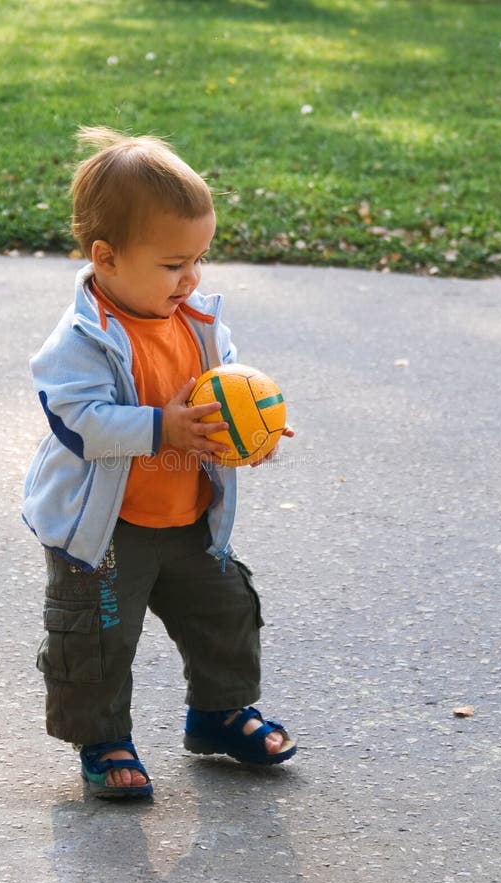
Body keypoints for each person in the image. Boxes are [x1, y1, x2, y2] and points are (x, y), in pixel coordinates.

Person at [23, 127, 297, 799]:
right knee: (96, 639)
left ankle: (218, 714)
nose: (192, 278)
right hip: (106, 532)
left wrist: (251, 431)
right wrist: (162, 426)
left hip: (188, 518)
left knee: (226, 614)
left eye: (200, 259)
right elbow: (78, 421)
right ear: (106, 257)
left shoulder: (196, 320)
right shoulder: (81, 339)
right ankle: (103, 739)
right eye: (174, 264)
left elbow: (227, 391)